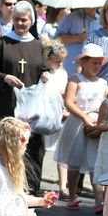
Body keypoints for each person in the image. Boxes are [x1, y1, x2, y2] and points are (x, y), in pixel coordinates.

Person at [0, 0, 50, 196]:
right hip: (5, 106)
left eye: (24, 20)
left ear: (31, 21)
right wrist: (6, 77)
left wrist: (45, 74)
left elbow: (43, 67)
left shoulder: (37, 45)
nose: (20, 23)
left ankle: (29, 188)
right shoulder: (3, 43)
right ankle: (0, 186)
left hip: (30, 108)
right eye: (17, 19)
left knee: (30, 145)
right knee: (6, 146)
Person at [55, 43, 108, 212]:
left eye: (100, 63)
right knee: (75, 160)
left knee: (95, 162)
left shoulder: (102, 83)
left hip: (95, 124)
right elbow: (69, 102)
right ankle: (71, 196)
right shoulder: (75, 80)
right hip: (78, 123)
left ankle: (99, 201)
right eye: (94, 62)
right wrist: (84, 117)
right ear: (84, 62)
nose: (97, 66)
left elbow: (105, 103)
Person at [43, 41, 69, 194]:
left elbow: (64, 91)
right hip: (46, 114)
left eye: (61, 61)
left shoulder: (62, 73)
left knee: (62, 149)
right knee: (41, 148)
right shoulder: (45, 73)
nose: (60, 64)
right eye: (57, 61)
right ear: (48, 59)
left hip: (59, 113)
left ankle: (63, 185)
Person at [56, 7, 100, 77]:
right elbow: (57, 39)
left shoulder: (102, 21)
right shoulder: (70, 18)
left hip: (94, 73)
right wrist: (76, 38)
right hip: (71, 70)